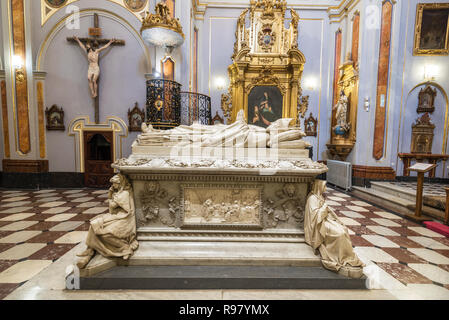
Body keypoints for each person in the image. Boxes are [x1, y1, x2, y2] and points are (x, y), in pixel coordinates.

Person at [304, 180, 365, 278]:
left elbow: (326, 212)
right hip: (319, 225)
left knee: (343, 229)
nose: (326, 188)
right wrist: (324, 207)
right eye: (324, 186)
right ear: (318, 187)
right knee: (339, 233)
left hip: (325, 220)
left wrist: (334, 218)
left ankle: (346, 256)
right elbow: (315, 217)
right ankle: (341, 257)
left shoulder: (319, 197)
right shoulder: (312, 199)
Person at [77, 174, 139, 269]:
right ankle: (90, 249)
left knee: (106, 232)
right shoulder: (118, 193)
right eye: (113, 184)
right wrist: (111, 195)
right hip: (116, 216)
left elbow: (117, 207)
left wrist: (112, 199)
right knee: (94, 224)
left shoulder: (124, 194)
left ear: (120, 183)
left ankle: (125, 248)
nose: (113, 185)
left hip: (125, 219)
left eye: (115, 184)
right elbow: (112, 207)